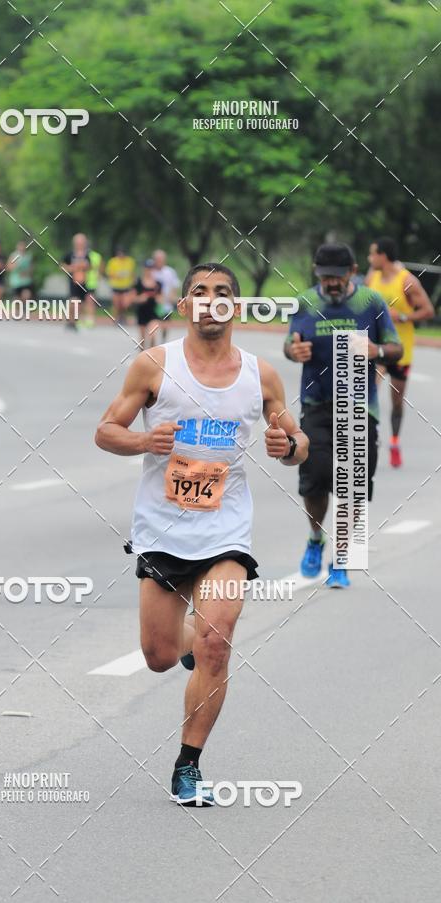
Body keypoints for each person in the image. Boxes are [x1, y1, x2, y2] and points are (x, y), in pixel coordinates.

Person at [96, 262, 308, 806]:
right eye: (199, 292)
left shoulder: (260, 376)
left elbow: (295, 438)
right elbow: (106, 431)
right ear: (185, 305)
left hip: (226, 528)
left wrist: (290, 448)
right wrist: (145, 443)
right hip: (162, 530)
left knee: (217, 641)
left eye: (221, 293)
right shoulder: (153, 366)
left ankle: (189, 764)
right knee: (160, 656)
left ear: (233, 307)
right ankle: (187, 641)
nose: (210, 300)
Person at [285, 243, 403, 588]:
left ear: (352, 271)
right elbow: (289, 344)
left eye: (337, 277)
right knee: (315, 479)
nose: (331, 284)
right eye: (325, 277)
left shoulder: (372, 303)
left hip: (359, 407)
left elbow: (397, 348)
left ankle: (341, 559)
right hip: (316, 404)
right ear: (316, 272)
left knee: (351, 486)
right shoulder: (306, 302)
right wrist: (294, 351)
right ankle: (315, 538)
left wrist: (376, 350)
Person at [365, 237, 434, 467]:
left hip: (400, 350)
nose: (369, 258)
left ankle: (394, 441)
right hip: (376, 349)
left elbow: (428, 311)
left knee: (396, 401)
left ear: (383, 256)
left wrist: (402, 316)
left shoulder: (407, 282)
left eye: (372, 254)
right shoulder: (371, 278)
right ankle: (368, 440)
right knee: (367, 393)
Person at [62, 233, 91, 331]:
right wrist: (71, 268)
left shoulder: (87, 255)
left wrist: (83, 266)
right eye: (78, 242)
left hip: (83, 282)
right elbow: (63, 265)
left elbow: (89, 266)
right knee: (73, 301)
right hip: (73, 281)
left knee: (80, 303)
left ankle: (75, 322)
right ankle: (70, 321)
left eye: (82, 243)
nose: (80, 244)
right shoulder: (70, 254)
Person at [132, 260, 162, 350]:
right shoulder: (138, 283)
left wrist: (157, 299)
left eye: (151, 269)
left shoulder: (158, 284)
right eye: (147, 268)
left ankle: (152, 355)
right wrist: (141, 298)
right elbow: (133, 298)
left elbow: (161, 298)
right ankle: (142, 356)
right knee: (142, 337)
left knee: (153, 335)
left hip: (153, 312)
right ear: (144, 269)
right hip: (142, 311)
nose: (149, 271)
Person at [152, 249, 180, 342]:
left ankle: (163, 341)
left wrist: (172, 296)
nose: (159, 261)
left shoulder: (170, 271)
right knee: (153, 324)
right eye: (157, 259)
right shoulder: (151, 272)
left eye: (161, 259)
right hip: (154, 303)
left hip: (166, 303)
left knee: (165, 324)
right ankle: (153, 343)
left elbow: (175, 285)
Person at [105, 247, 136, 324]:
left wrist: (133, 283)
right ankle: (116, 318)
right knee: (117, 303)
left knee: (125, 303)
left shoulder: (130, 261)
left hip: (126, 285)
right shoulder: (113, 261)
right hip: (116, 285)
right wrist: (117, 275)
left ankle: (123, 316)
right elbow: (109, 273)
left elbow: (132, 273)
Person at [84, 245, 104, 328]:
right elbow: (102, 266)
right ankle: (90, 320)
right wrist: (99, 275)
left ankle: (89, 320)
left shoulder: (83, 255)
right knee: (90, 301)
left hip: (88, 281)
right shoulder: (97, 255)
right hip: (91, 281)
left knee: (87, 301)